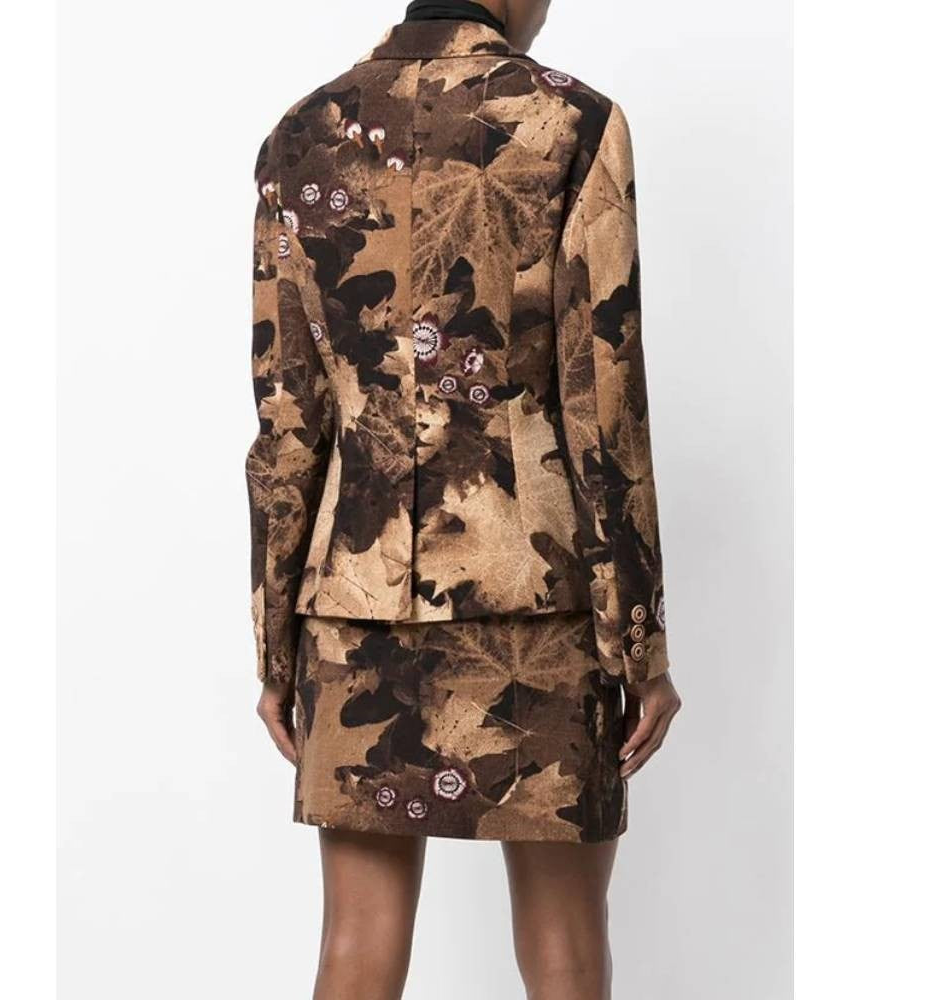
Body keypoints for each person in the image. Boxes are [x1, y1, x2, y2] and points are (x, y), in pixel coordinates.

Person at [247, 1, 682, 996]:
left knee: (356, 939)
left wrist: (275, 641)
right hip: (538, 601)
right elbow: (604, 403)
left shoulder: (300, 135)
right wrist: (639, 641)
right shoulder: (571, 124)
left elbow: (286, 420)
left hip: (351, 606)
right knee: (566, 941)